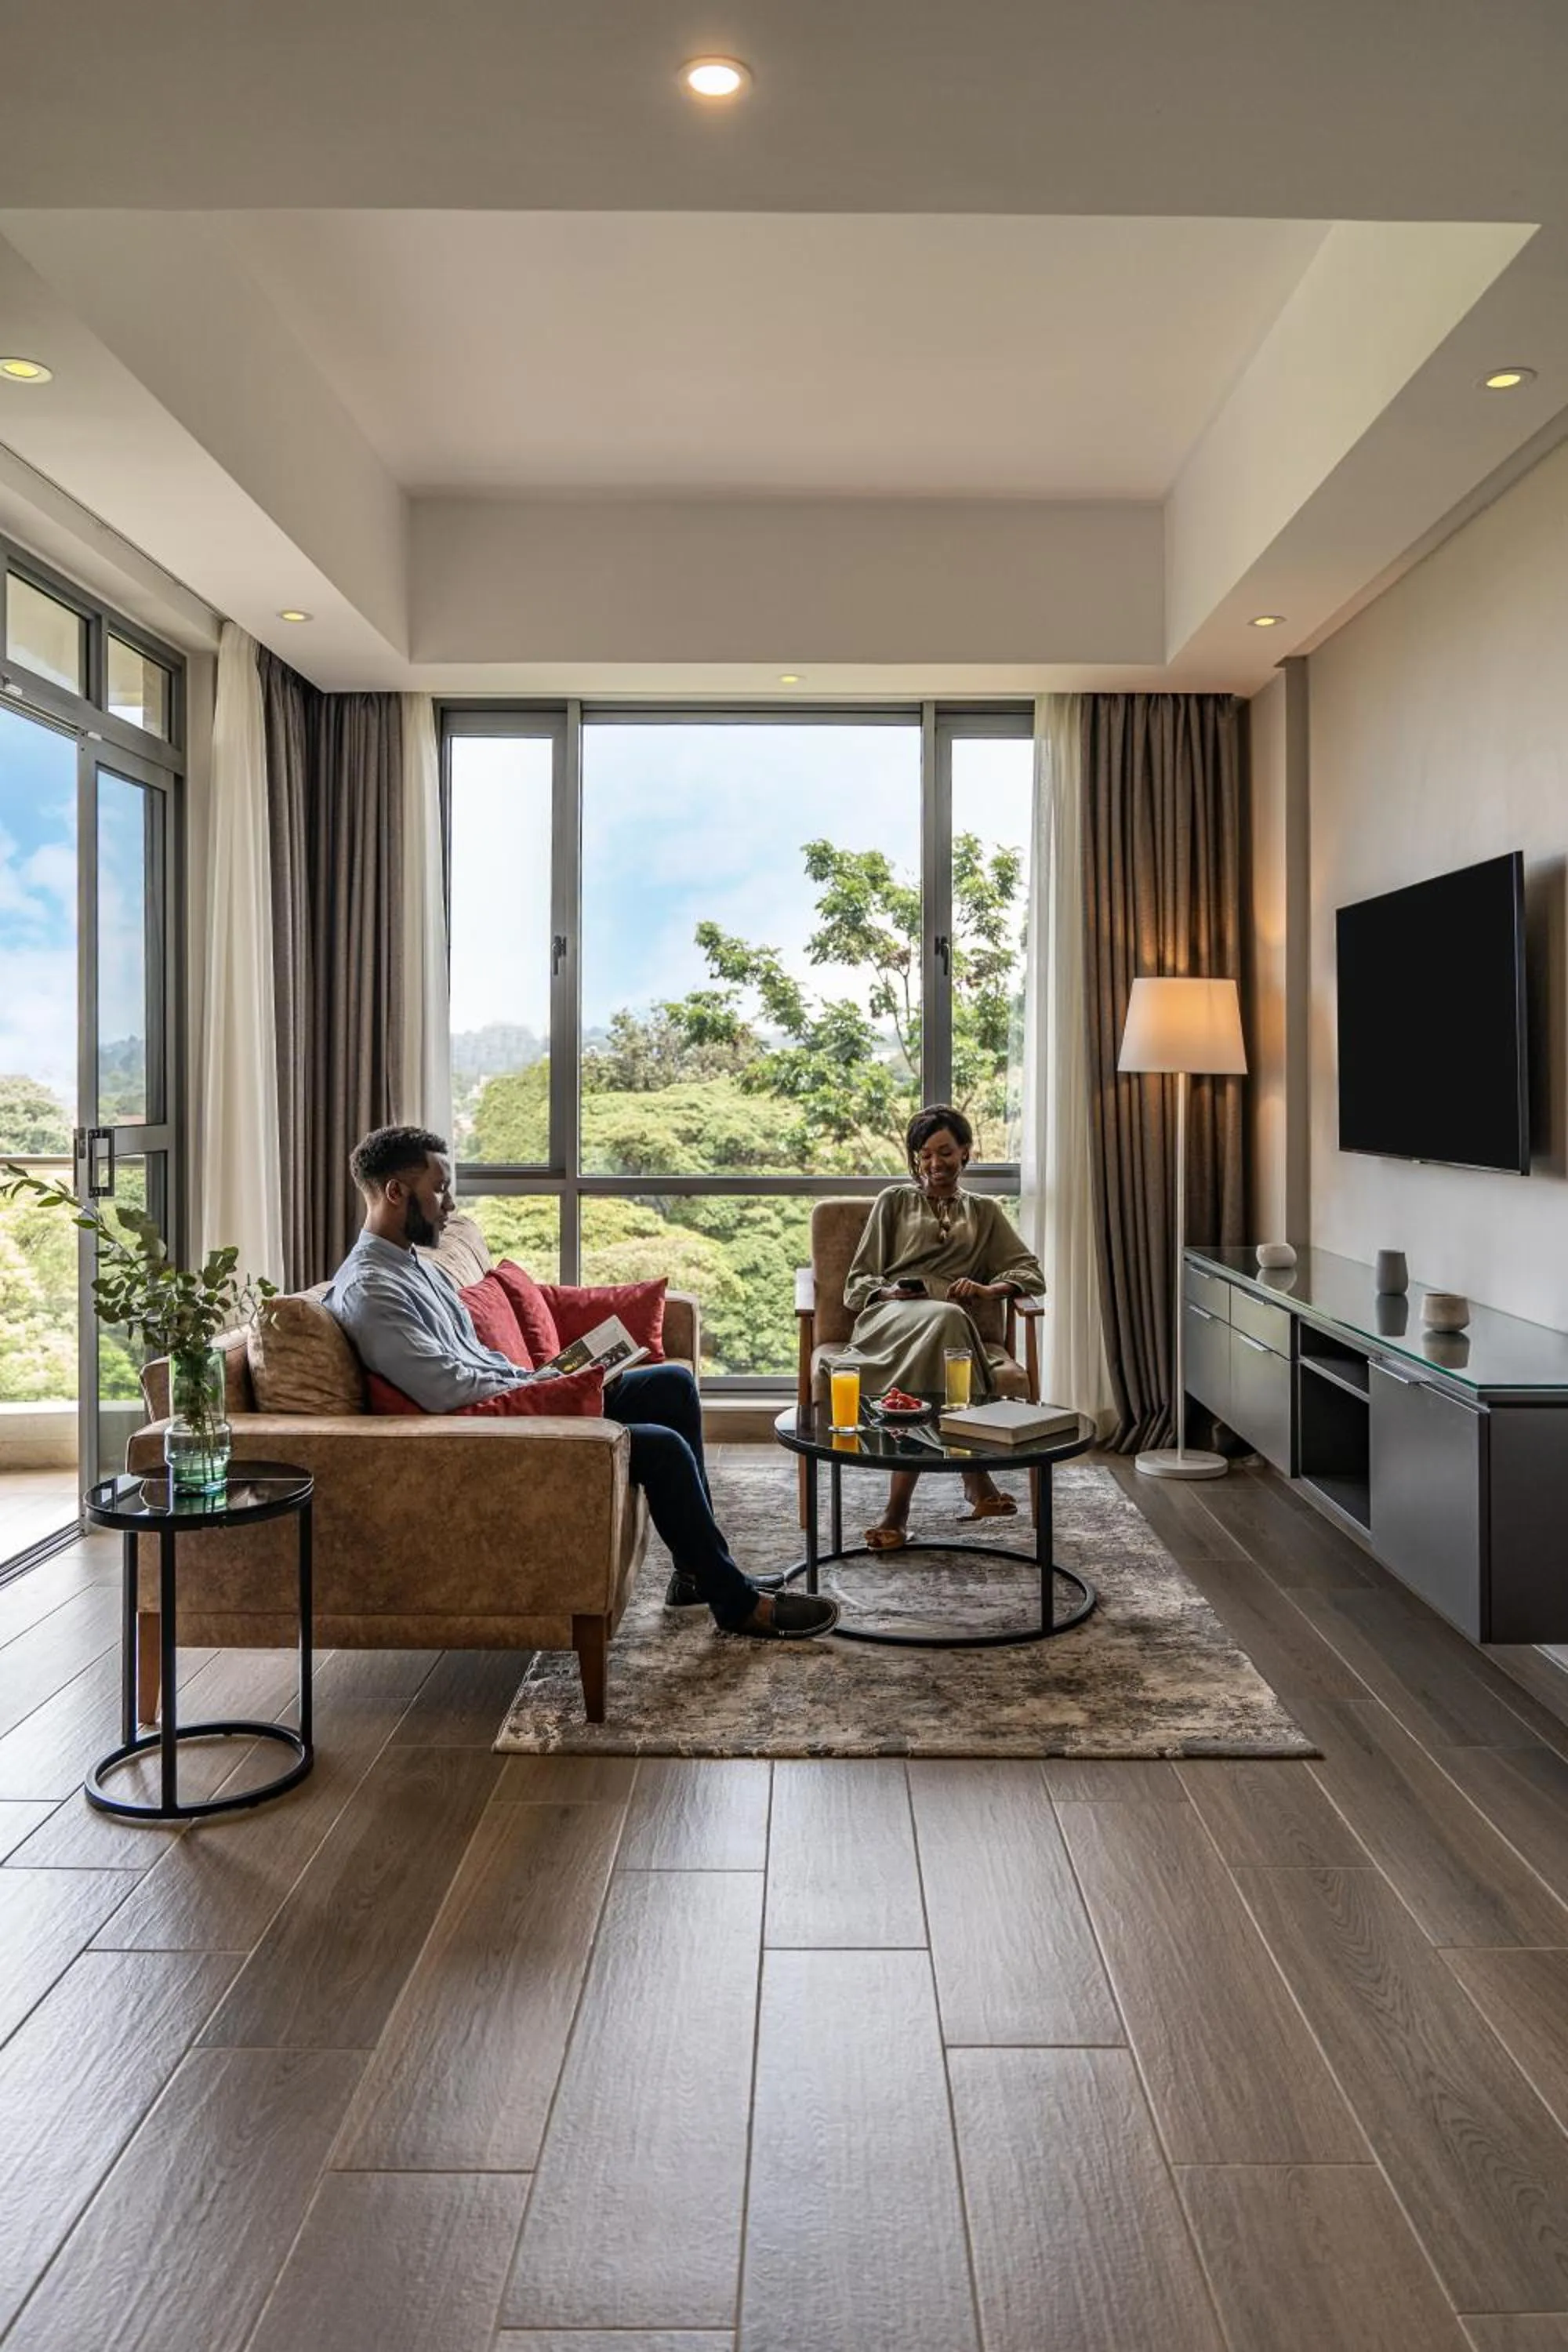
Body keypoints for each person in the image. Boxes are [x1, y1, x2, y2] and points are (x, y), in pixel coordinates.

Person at [322, 1126, 838, 1641]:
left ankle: (693, 1574)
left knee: (672, 1385)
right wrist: (542, 1387)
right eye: (439, 1190)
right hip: (488, 1437)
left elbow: (472, 1359)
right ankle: (738, 1605)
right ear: (395, 1192)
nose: (450, 1205)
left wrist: (543, 1376)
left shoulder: (416, 1265)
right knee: (663, 1448)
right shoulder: (373, 1289)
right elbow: (446, 1391)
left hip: (520, 1395)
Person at [840, 1103, 1046, 1551]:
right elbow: (858, 1282)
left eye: (945, 1152)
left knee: (950, 1321)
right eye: (925, 1154)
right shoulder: (894, 1201)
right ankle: (976, 1481)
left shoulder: (984, 1212)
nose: (935, 1163)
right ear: (916, 1159)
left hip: (949, 1323)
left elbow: (1030, 1274)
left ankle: (898, 1511)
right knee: (949, 1323)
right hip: (891, 1319)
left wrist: (988, 1291)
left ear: (966, 1153)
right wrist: (892, 1293)